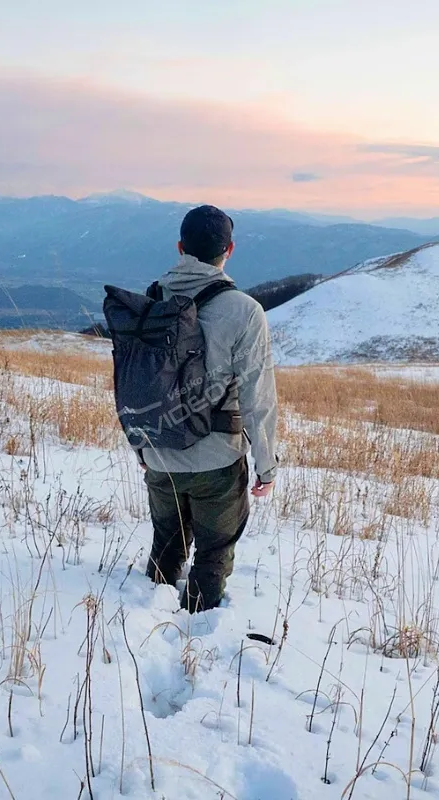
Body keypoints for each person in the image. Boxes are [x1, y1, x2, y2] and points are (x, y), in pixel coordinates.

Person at [141, 204, 278, 612]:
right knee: (214, 554)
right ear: (229, 250)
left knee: (166, 546)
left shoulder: (151, 300)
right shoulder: (244, 311)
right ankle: (198, 632)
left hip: (160, 452)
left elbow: (134, 383)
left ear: (180, 248)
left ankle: (143, 618)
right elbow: (258, 397)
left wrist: (142, 446)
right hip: (217, 460)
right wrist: (266, 466)